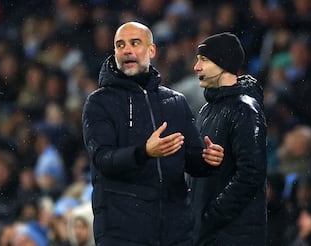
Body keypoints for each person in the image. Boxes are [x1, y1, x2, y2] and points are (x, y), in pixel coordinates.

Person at [82, 21, 224, 246]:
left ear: (151, 50)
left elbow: (192, 160)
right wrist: (144, 152)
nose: (126, 50)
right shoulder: (99, 102)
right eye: (120, 45)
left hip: (175, 230)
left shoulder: (176, 102)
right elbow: (103, 160)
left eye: (134, 43)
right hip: (122, 231)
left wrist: (209, 160)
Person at [191, 32, 267, 245]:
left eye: (203, 59)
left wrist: (212, 215)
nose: (196, 67)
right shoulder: (206, 110)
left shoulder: (245, 109)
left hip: (233, 235)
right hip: (208, 235)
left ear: (223, 62)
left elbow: (251, 174)